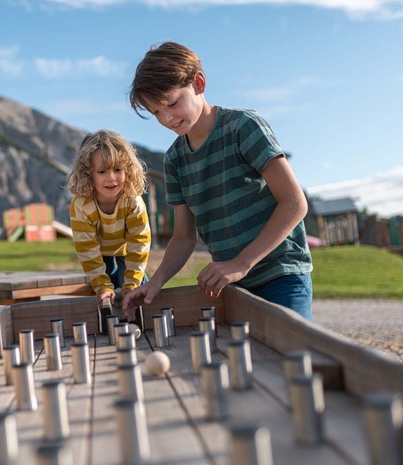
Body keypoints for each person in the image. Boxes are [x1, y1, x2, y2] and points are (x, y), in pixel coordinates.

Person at [122, 41, 313, 321]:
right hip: (233, 284)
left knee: (292, 359)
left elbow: (295, 204)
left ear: (199, 83)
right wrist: (156, 281)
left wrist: (241, 262)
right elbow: (184, 237)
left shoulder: (243, 127)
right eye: (156, 112)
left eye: (172, 103)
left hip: (281, 276)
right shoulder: (174, 159)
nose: (167, 118)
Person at [67, 129, 151, 309]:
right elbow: (87, 249)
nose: (111, 178)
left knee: (136, 287)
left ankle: (142, 319)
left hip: (126, 250)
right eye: (102, 171)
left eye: (118, 169)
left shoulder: (132, 201)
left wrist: (132, 284)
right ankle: (106, 323)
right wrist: (102, 285)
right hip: (99, 252)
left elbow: (139, 243)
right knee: (106, 289)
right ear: (88, 173)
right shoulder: (82, 205)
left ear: (128, 170)